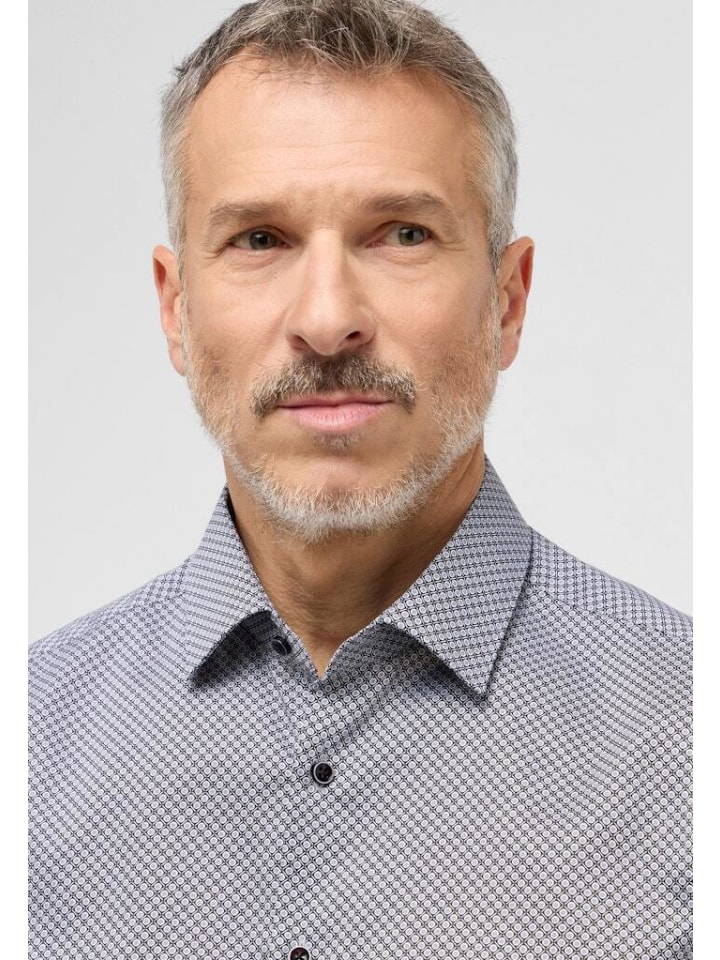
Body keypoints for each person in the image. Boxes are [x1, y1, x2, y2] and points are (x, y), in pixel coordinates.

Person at [28, 0, 692, 957]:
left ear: (508, 301)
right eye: (260, 239)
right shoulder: (31, 742)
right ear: (175, 311)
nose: (328, 319)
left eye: (401, 234)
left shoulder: (688, 735)